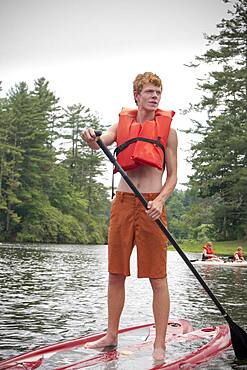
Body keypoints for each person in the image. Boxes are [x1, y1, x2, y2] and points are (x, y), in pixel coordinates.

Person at [80, 72, 178, 361]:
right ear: (136, 95)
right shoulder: (121, 124)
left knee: (158, 278)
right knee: (115, 274)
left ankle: (159, 344)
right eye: (149, 91)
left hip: (152, 206)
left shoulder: (169, 132)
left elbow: (172, 177)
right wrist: (90, 136)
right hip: (123, 203)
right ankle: (111, 336)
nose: (155, 97)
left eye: (158, 92)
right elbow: (100, 141)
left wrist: (160, 200)